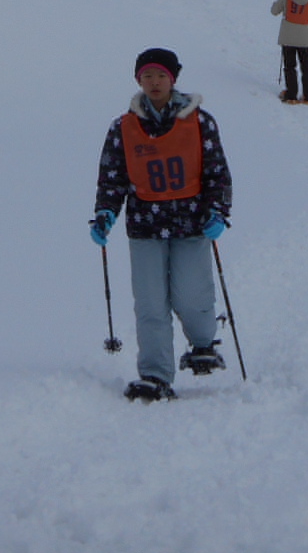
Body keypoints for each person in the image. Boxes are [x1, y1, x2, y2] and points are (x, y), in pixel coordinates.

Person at [90, 48, 233, 403]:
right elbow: (113, 178)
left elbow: (217, 173)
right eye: (147, 76)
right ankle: (155, 375)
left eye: (161, 76)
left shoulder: (200, 121)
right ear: (138, 80)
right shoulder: (123, 127)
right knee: (151, 303)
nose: (154, 83)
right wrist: (106, 213)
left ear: (173, 79)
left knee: (191, 294)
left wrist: (218, 212)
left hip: (191, 224)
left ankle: (203, 343)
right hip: (145, 225)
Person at [271, 0, 308, 104]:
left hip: (288, 37)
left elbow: (274, 11)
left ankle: (291, 94)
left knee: (290, 65)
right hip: (305, 38)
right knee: (307, 66)